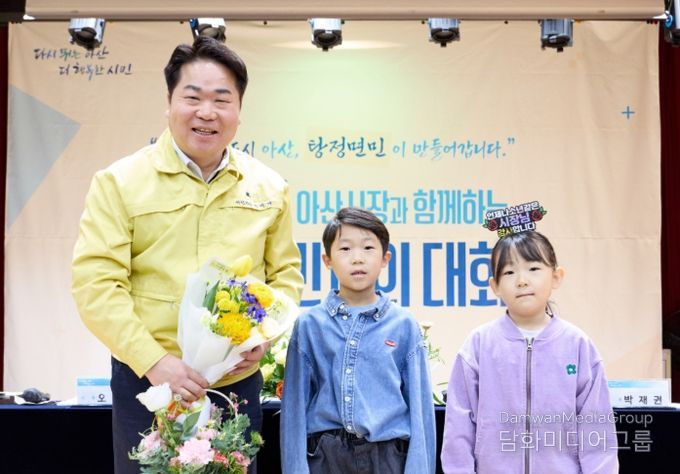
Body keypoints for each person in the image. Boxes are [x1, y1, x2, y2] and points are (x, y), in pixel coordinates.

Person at [71, 36, 304, 474]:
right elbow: (96, 286)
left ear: (239, 110)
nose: (207, 112)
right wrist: (155, 361)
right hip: (148, 383)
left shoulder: (270, 187)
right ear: (169, 103)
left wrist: (264, 337)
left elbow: (286, 277)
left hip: (234, 385)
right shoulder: (119, 182)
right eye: (193, 97)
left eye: (222, 99)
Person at [440, 231, 618, 473]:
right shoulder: (479, 345)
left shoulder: (578, 345)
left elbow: (597, 430)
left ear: (556, 277)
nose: (522, 281)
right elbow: (458, 425)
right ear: (494, 286)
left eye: (533, 268)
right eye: (509, 272)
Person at [280, 207, 436, 474]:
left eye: (368, 248)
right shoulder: (310, 325)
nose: (357, 258)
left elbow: (421, 412)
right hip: (326, 457)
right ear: (327, 260)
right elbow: (294, 410)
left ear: (385, 258)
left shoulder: (403, 325)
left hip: (387, 456)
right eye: (345, 249)